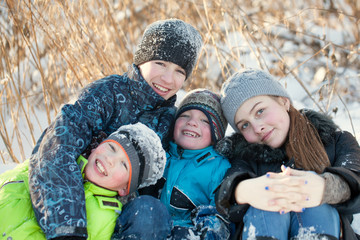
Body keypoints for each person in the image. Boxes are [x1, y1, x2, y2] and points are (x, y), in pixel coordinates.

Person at [28, 19, 203, 239]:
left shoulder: (171, 120)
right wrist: (68, 229)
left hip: (118, 216)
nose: (168, 79)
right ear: (142, 59)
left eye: (179, 71)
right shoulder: (108, 94)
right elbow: (56, 149)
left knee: (151, 211)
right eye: (160, 63)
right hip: (72, 208)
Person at [214, 69, 360, 240]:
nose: (257, 127)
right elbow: (225, 191)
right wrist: (242, 191)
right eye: (244, 125)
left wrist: (326, 187)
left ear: (284, 102)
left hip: (328, 228)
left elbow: (355, 177)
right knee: (268, 202)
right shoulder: (245, 157)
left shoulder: (336, 141)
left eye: (260, 111)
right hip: (264, 229)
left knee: (311, 199)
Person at [0, 123, 169, 240]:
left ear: (125, 188)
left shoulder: (105, 218)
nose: (110, 159)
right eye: (112, 147)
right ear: (96, 146)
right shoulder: (55, 161)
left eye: (124, 164)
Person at [158, 89, 232, 239]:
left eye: (204, 120)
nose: (191, 122)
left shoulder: (218, 168)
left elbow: (219, 218)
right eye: (185, 115)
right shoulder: (159, 154)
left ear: (215, 134)